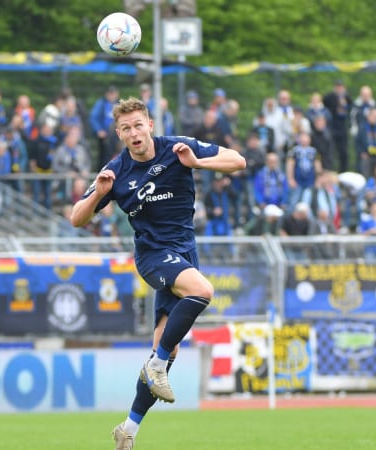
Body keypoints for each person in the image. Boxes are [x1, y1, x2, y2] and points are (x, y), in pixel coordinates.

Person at [68, 97, 245, 449]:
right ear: (119, 134)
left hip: (184, 253)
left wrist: (197, 163)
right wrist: (98, 195)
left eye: (138, 125)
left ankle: (129, 429)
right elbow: (76, 217)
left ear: (150, 124)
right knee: (203, 291)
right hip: (153, 256)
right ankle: (157, 365)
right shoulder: (116, 171)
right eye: (126, 128)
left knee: (167, 347)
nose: (134, 133)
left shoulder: (178, 148)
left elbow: (238, 161)